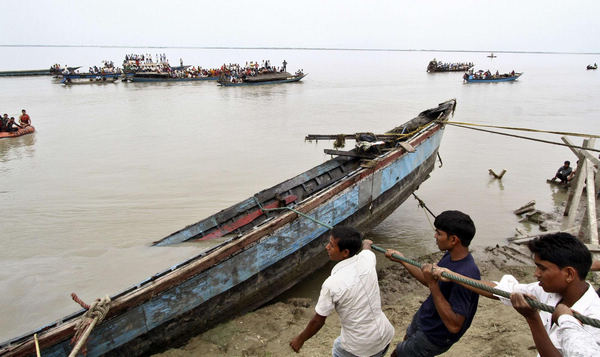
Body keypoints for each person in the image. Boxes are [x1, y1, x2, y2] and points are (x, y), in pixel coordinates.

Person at [433, 232, 600, 356]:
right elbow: (501, 290)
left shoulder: (593, 318)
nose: (536, 274)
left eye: (542, 268)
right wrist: (454, 276)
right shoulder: (550, 292)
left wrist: (532, 319)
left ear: (569, 274)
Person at [385, 210, 480, 357]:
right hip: (425, 317)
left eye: (439, 234)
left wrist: (433, 285)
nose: (435, 237)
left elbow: (454, 326)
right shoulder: (450, 255)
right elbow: (429, 280)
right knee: (406, 341)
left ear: (454, 239)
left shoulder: (466, 275)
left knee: (397, 354)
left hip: (434, 336)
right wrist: (402, 260)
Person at [290, 226, 394, 356]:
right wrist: (366, 243)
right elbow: (366, 250)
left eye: (331, 245)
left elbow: (318, 321)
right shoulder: (367, 260)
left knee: (338, 349)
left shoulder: (332, 284)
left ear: (345, 252)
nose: (327, 247)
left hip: (359, 348)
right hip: (384, 335)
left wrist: (299, 339)